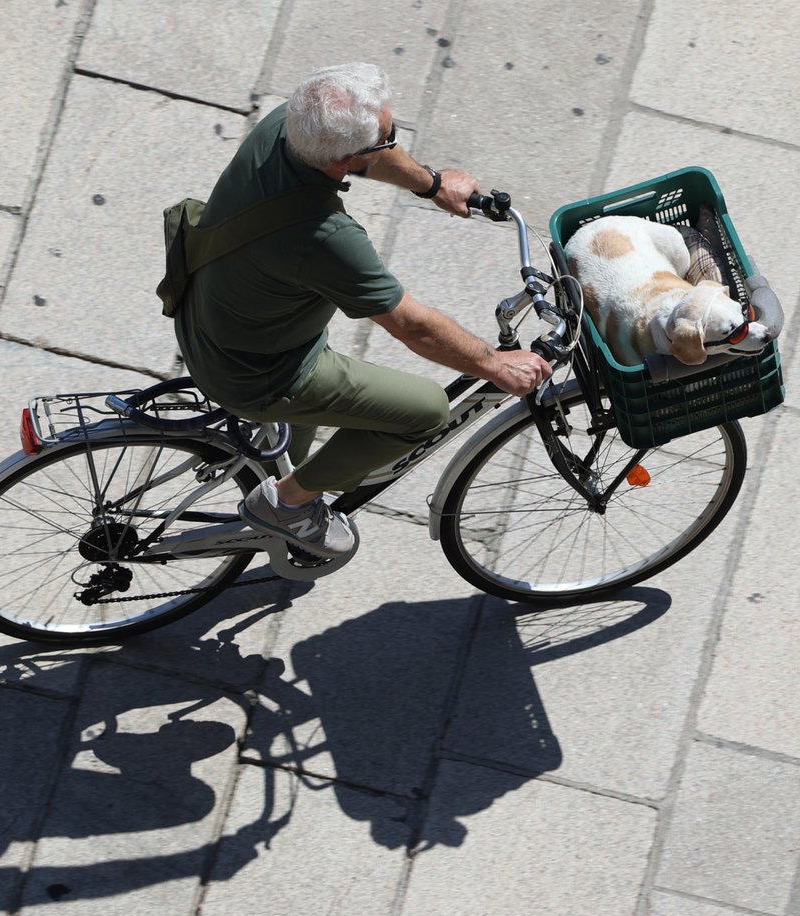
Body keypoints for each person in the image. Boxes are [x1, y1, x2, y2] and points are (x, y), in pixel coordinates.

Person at [176, 62, 551, 558]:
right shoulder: (326, 239)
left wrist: (433, 184)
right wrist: (494, 364)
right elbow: (412, 326)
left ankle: (282, 472)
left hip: (211, 312)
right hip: (258, 372)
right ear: (342, 163)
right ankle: (286, 506)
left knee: (300, 439)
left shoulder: (288, 123)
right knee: (425, 411)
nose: (394, 143)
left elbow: (370, 155)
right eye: (387, 137)